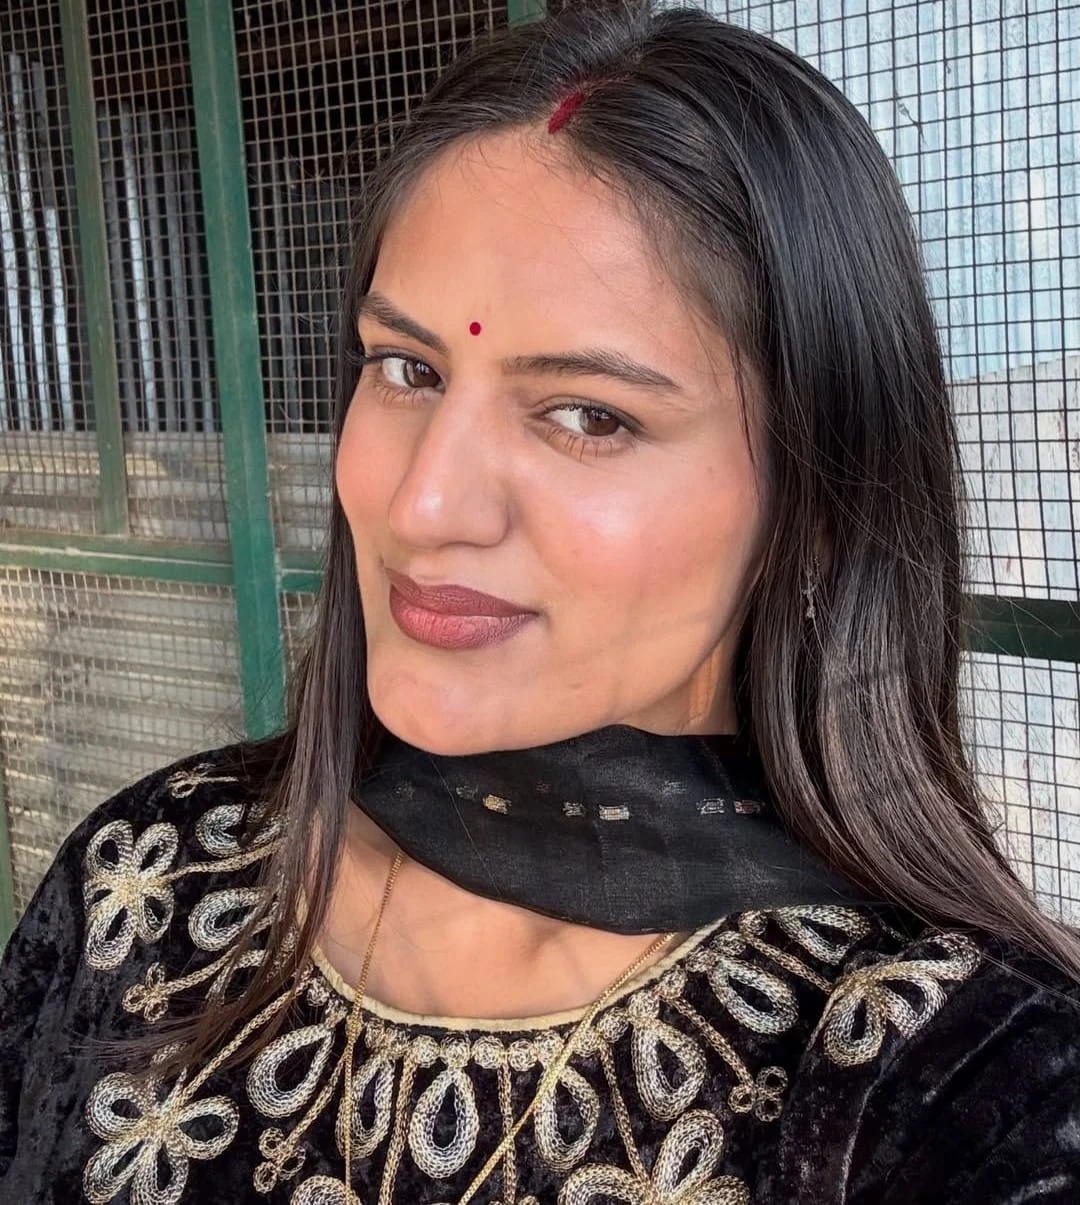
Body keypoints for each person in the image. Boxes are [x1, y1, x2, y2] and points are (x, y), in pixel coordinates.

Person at [2, 2, 1078, 1201]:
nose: (424, 503)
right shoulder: (146, 881)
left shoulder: (962, 1083)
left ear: (815, 501)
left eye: (588, 414)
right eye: (407, 368)